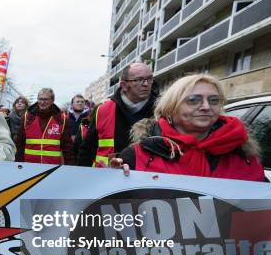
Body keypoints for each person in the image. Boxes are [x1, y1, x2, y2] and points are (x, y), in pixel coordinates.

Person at [110, 74, 266, 181]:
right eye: (193, 100)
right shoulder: (137, 155)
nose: (206, 107)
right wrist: (114, 179)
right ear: (170, 107)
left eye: (213, 100)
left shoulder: (244, 156)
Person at [77, 62, 157, 167]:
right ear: (124, 85)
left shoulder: (162, 110)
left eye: (149, 79)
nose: (146, 84)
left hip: (148, 179)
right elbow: (87, 150)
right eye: (139, 80)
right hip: (106, 177)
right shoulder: (103, 110)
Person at [15, 88, 74, 165]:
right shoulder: (27, 117)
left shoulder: (61, 119)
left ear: (52, 101)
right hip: (29, 166)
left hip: (52, 168)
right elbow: (20, 143)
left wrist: (70, 167)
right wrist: (18, 164)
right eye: (40, 99)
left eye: (46, 99)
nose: (42, 102)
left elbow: (67, 146)